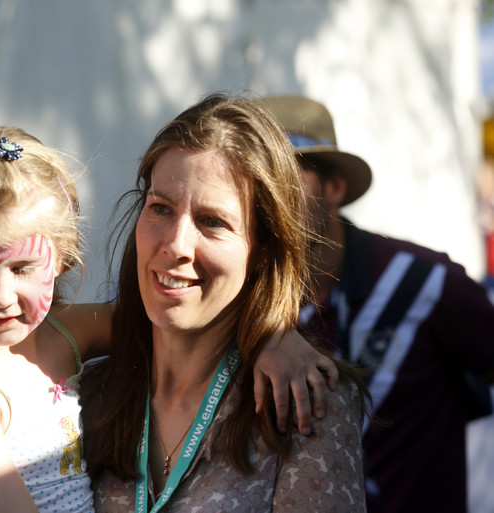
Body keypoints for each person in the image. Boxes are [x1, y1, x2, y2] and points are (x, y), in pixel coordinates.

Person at [0, 109, 341, 512]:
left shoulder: (60, 334)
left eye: (22, 267)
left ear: (60, 257)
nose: (0, 295)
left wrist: (275, 335)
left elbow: (195, 317)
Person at [81, 93, 368, 512]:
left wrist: (268, 327)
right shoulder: (87, 396)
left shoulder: (305, 404)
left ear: (264, 251)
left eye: (212, 222)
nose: (176, 244)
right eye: (160, 208)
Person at [261, 95, 494, 513]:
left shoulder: (424, 282)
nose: (265, 199)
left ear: (335, 187)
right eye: (252, 182)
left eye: (283, 176)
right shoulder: (238, 304)